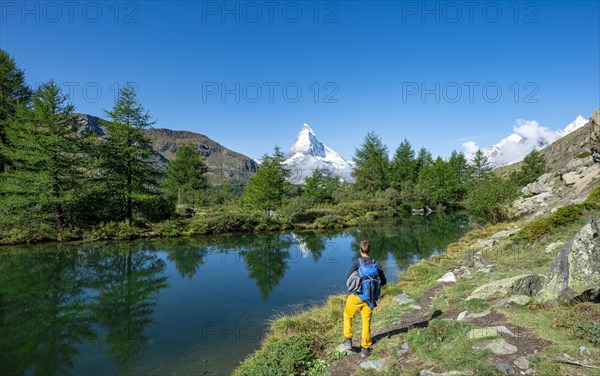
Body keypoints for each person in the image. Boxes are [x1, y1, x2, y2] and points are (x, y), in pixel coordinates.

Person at [341, 240, 387, 357]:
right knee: (366, 322)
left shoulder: (357, 262)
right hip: (370, 298)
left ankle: (348, 340)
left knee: (347, 315)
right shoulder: (376, 262)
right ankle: (365, 349)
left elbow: (348, 276)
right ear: (369, 250)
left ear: (360, 250)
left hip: (358, 296)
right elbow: (384, 281)